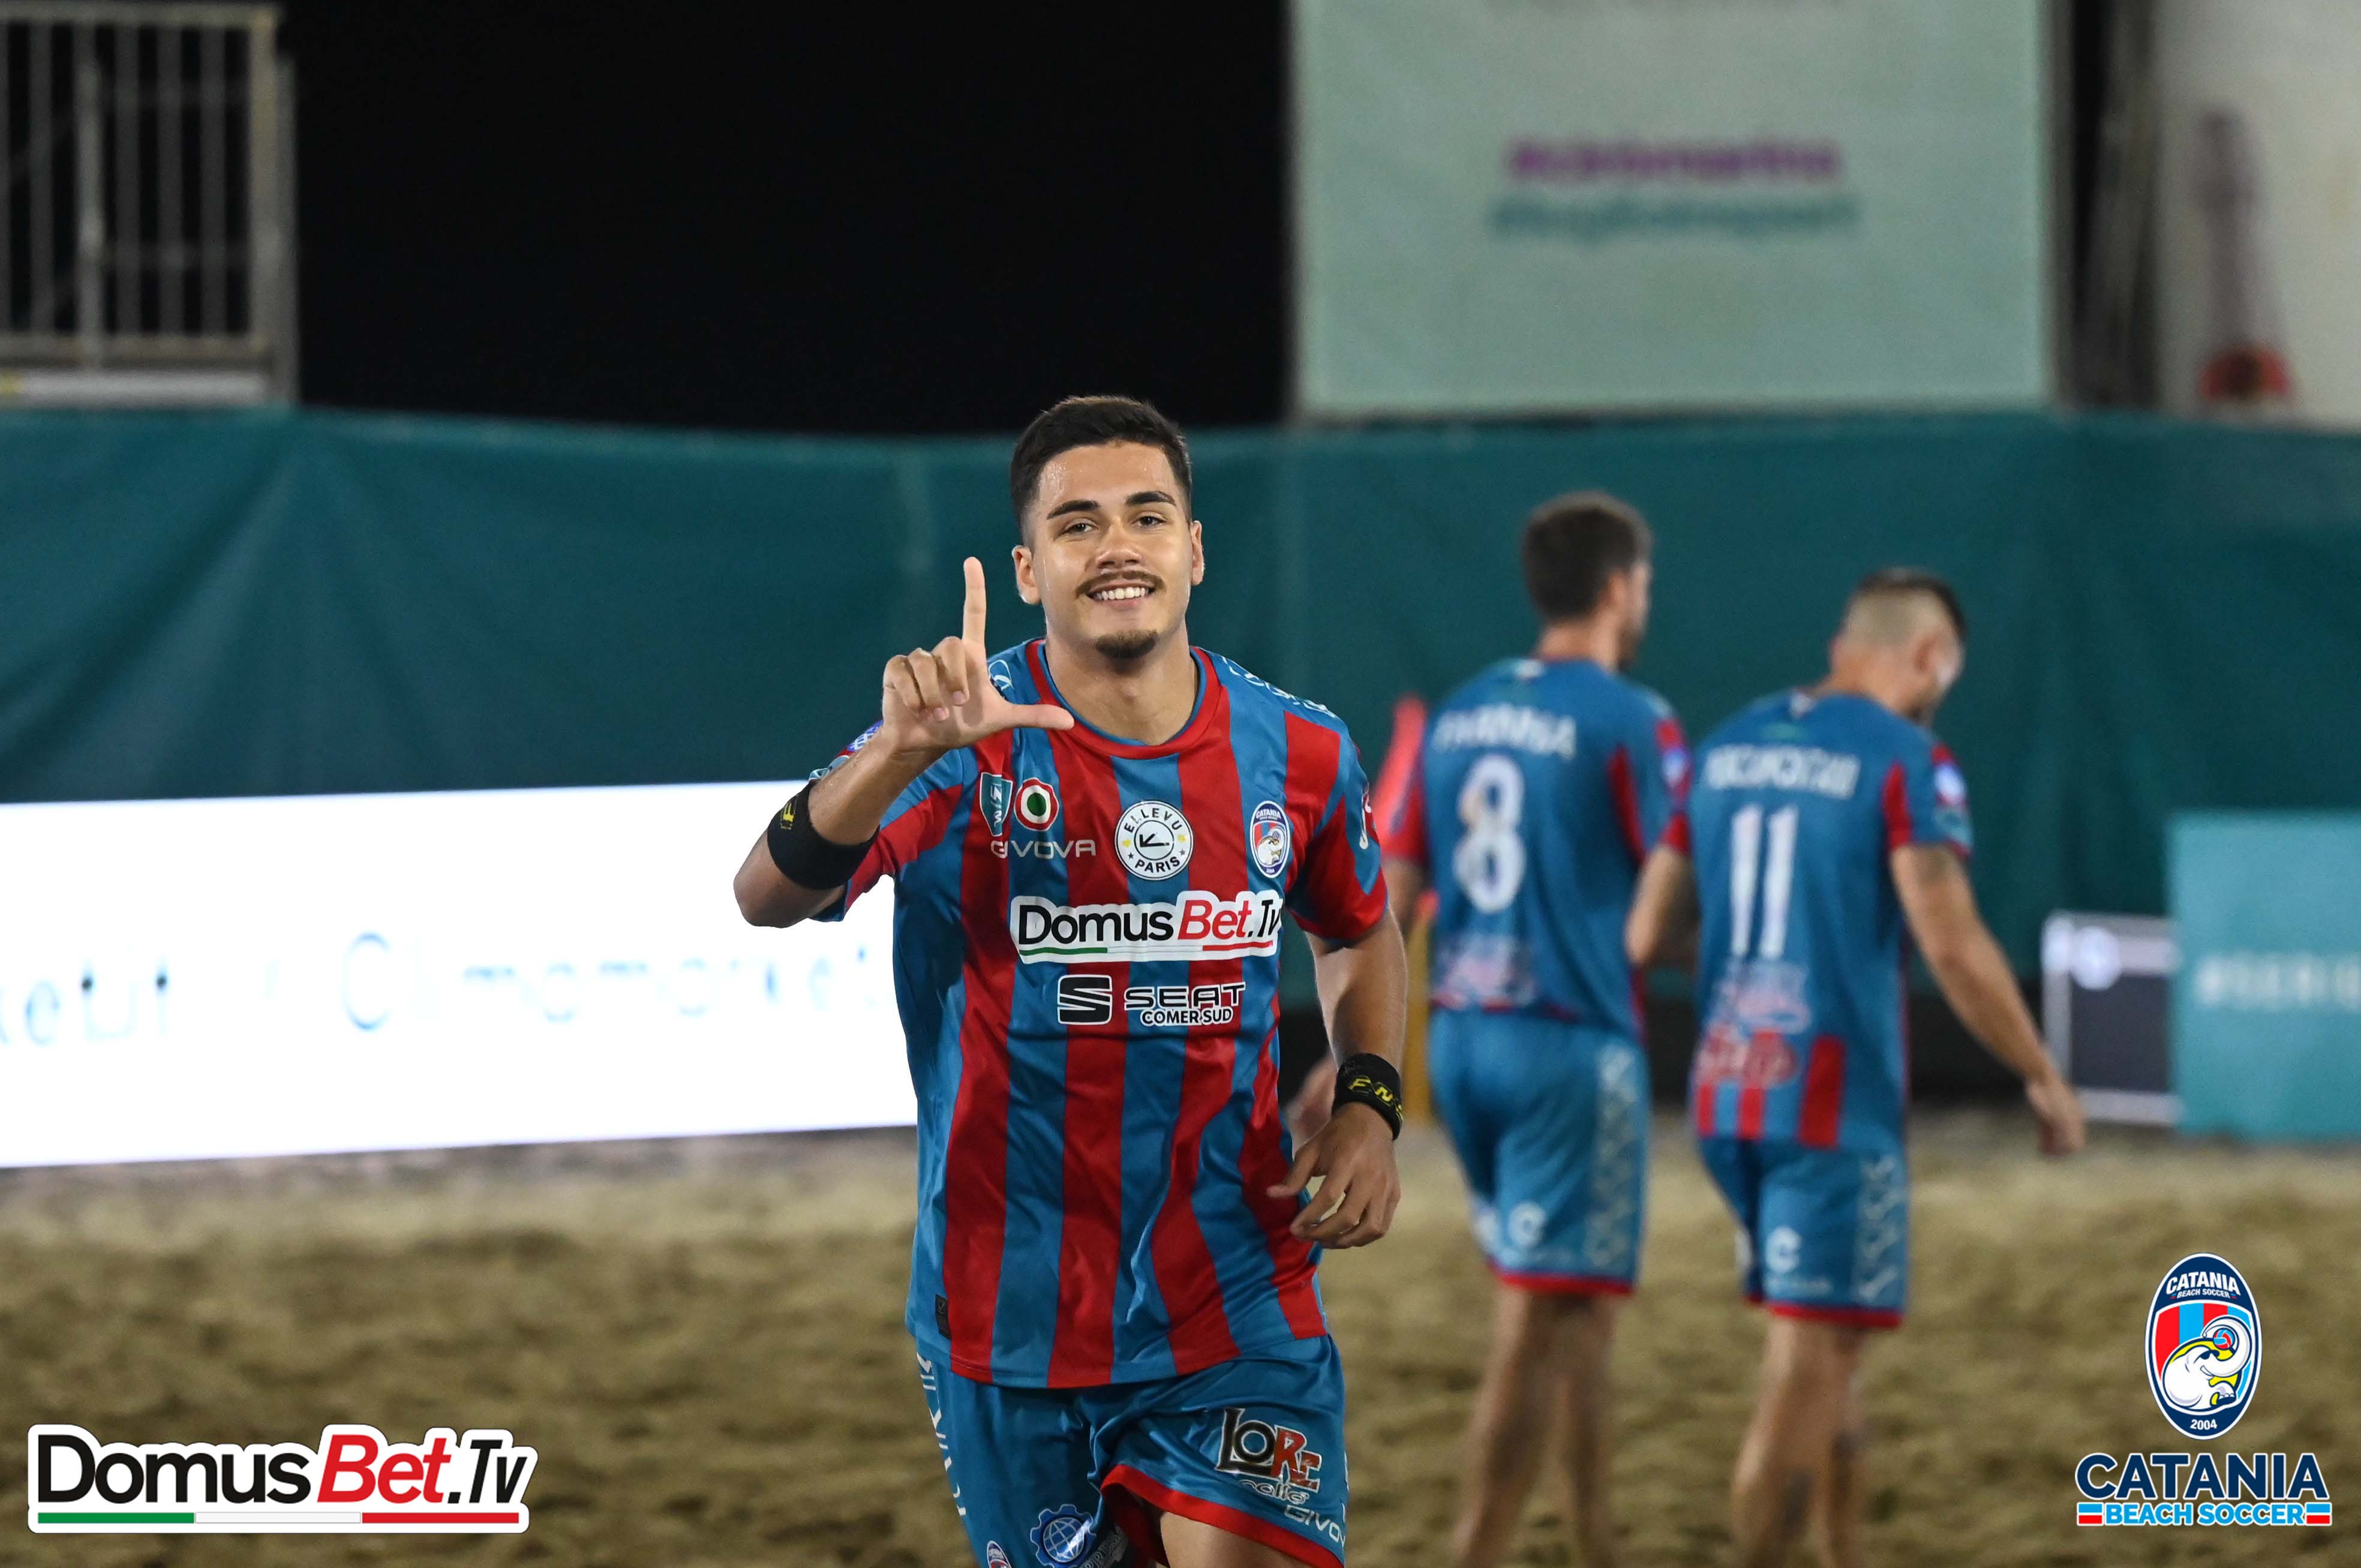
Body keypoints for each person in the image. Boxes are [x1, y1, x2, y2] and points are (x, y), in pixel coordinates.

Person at [734, 395, 1408, 1568]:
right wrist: (898, 750)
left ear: (1195, 549)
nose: (1117, 548)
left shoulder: (1301, 751)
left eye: (1148, 517)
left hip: (1234, 1296)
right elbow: (766, 892)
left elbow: (1357, 929)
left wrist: (1370, 1103)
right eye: (1078, 524)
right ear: (1028, 567)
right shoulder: (959, 742)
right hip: (1010, 1317)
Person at [1624, 568, 2086, 1568]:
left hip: (1726, 1092)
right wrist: (2041, 1072)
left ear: (1843, 646)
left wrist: (1751, 960)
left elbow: (1648, 932)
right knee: (1808, 1366)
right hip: (1828, 1108)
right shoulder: (1907, 760)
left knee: (1829, 1352)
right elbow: (1951, 942)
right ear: (1930, 659)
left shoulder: (1727, 745)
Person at [1372, 492, 1684, 1568]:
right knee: (1534, 1320)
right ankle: (1479, 1552)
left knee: (1577, 1314)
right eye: (1643, 585)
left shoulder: (1461, 712)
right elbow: (1670, 892)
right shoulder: (1632, 718)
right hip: (1566, 1045)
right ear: (1618, 589)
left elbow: (1391, 896)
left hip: (1465, 1043)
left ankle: (1595, 1543)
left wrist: (1361, 1053)